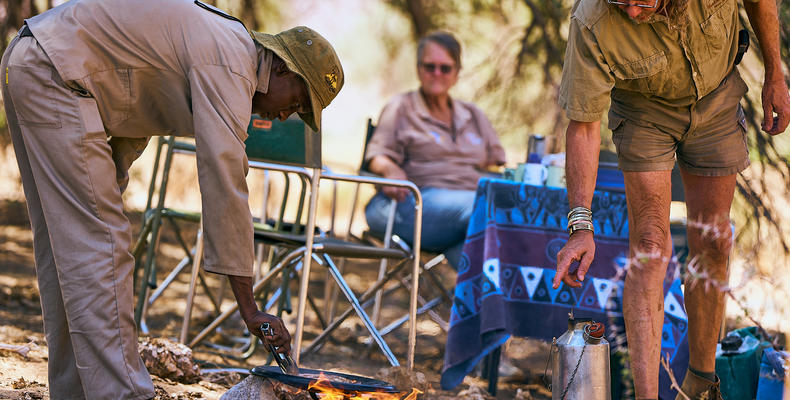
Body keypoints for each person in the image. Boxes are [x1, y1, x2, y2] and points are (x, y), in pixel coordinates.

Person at [0, 0, 344, 398]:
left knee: (69, 251)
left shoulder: (223, 48)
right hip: (54, 74)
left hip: (33, 62)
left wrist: (109, 184)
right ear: (283, 67)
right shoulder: (232, 64)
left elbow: (133, 103)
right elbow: (225, 179)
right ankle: (124, 394)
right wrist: (250, 308)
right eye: (298, 101)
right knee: (102, 248)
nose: (288, 116)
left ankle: (74, 392)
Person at [554, 0, 789, 399]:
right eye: (620, 2)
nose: (629, 12)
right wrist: (580, 227)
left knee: (714, 240)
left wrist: (774, 72)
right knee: (649, 246)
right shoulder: (591, 20)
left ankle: (702, 383)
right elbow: (582, 126)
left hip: (715, 97)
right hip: (644, 111)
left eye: (641, 1)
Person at [364, 31, 506, 269]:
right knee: (480, 206)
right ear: (418, 69)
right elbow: (378, 156)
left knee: (490, 257)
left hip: (465, 215)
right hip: (416, 202)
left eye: (445, 68)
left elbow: (497, 163)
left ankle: (485, 302)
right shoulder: (402, 107)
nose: (436, 74)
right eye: (430, 67)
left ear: (457, 73)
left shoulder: (473, 114)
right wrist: (389, 169)